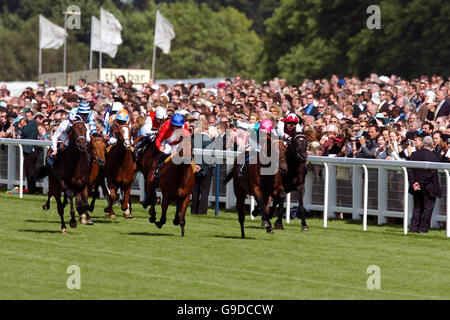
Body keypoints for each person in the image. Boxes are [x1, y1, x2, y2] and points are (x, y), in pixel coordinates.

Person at [407, 135, 442, 233]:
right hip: (429, 187)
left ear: (423, 143)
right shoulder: (434, 156)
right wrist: (420, 183)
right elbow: (431, 173)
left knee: (417, 207)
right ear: (432, 144)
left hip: (416, 186)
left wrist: (414, 183)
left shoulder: (414, 154)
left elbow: (409, 170)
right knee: (427, 208)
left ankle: (413, 228)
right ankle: (423, 229)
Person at [153, 113, 190, 179]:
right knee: (166, 151)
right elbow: (158, 140)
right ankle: (157, 169)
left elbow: (187, 140)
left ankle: (193, 169)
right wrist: (159, 147)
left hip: (178, 143)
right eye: (176, 126)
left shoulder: (184, 127)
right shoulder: (166, 125)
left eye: (179, 126)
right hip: (168, 143)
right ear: (172, 124)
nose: (178, 128)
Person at [191, 120, 214, 215]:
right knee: (205, 192)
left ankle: (193, 210)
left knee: (195, 190)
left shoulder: (193, 140)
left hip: (195, 167)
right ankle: (202, 211)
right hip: (207, 169)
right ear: (207, 129)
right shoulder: (212, 141)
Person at [15, 115, 40, 194]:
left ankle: (32, 190)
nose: (27, 118)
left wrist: (22, 126)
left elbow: (26, 133)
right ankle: (31, 189)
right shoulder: (31, 124)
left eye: (28, 116)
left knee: (30, 171)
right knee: (29, 171)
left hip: (31, 151)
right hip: (30, 150)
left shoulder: (32, 123)